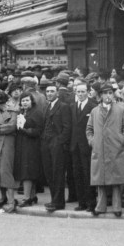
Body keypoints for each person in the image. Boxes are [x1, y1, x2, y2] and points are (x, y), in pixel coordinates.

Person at [86, 82, 124, 217]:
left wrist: (123, 140)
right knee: (100, 180)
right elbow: (89, 129)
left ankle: (117, 207)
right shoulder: (95, 111)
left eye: (110, 93)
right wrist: (92, 141)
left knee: (116, 180)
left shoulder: (120, 109)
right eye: (105, 93)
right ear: (100, 95)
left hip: (116, 148)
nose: (108, 96)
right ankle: (100, 206)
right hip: (99, 149)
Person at [41, 84, 72, 212]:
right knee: (49, 172)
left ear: (57, 93)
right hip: (46, 143)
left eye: (52, 91)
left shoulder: (63, 107)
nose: (49, 93)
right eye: (47, 91)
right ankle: (54, 199)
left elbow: (67, 127)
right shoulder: (47, 106)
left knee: (57, 173)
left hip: (57, 144)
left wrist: (59, 141)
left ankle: (58, 202)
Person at [70, 82, 98, 212]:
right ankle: (81, 202)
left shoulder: (93, 106)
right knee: (78, 174)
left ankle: (91, 203)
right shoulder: (73, 106)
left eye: (83, 91)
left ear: (87, 92)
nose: (80, 94)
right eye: (78, 92)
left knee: (88, 175)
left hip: (87, 146)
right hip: (75, 146)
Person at [14, 92, 44, 207]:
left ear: (32, 101)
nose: (25, 102)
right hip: (22, 144)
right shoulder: (22, 112)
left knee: (28, 171)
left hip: (32, 144)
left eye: (27, 100)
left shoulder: (37, 113)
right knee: (26, 170)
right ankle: (31, 196)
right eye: (23, 101)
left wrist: (24, 130)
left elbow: (38, 130)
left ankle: (26, 198)